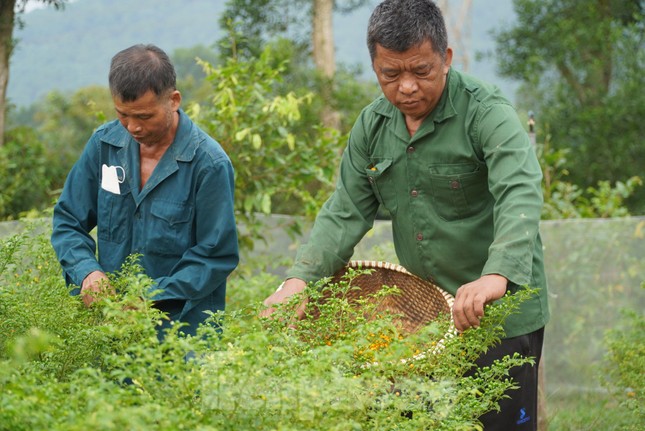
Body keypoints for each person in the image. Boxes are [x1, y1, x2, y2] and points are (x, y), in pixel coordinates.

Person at [261, 1, 549, 429]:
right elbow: (344, 211)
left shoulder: (486, 113)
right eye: (390, 75)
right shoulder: (372, 126)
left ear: (445, 59)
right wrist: (300, 280)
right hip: (423, 321)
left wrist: (496, 275)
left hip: (500, 316)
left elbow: (519, 194)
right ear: (375, 66)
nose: (407, 87)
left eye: (421, 71)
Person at [51, 44, 239, 338]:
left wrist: (150, 297)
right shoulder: (104, 146)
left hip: (182, 335)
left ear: (174, 100)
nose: (132, 127)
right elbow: (68, 222)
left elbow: (215, 256)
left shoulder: (209, 164)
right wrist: (88, 272)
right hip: (109, 328)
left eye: (145, 116)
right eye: (123, 115)